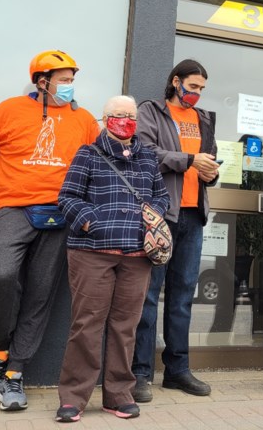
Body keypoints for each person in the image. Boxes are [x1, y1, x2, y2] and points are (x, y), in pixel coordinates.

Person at [0, 50, 100, 412]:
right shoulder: (9, 110)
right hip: (15, 209)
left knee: (41, 294)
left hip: (61, 215)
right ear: (43, 81)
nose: (70, 86)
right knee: (3, 276)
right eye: (64, 80)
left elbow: (98, 165)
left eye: (72, 80)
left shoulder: (85, 120)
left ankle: (14, 373)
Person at [54, 96, 170, 423]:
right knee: (86, 325)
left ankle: (119, 394)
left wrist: (152, 216)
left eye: (130, 116)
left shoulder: (147, 156)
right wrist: (91, 221)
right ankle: (73, 397)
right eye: (119, 115)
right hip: (92, 251)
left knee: (125, 327)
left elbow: (161, 196)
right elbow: (67, 197)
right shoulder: (88, 154)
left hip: (136, 254)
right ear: (105, 119)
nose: (125, 121)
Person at [131, 59, 219, 402]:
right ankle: (140, 373)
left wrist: (211, 172)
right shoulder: (151, 112)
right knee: (148, 296)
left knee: (182, 298)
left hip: (193, 215)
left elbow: (207, 163)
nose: (196, 94)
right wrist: (189, 160)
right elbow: (144, 152)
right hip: (160, 214)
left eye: (201, 89)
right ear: (176, 81)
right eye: (192, 86)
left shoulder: (205, 119)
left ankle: (177, 371)